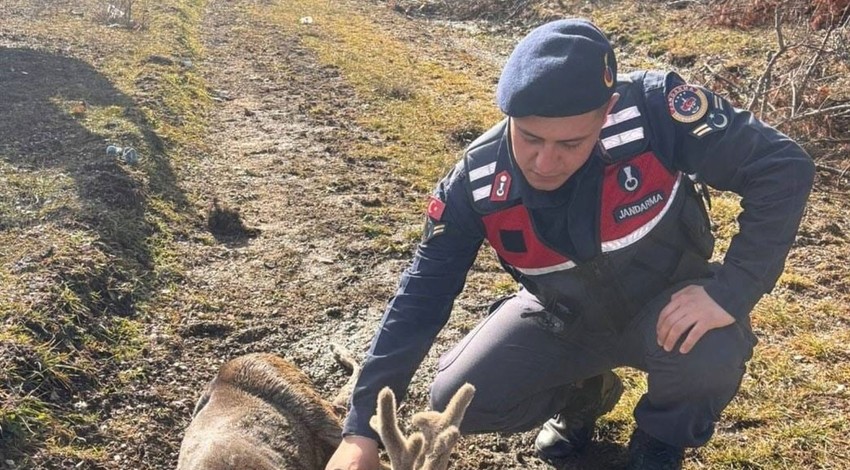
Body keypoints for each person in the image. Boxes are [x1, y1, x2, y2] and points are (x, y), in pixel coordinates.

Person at [325, 18, 814, 470]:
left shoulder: (657, 112)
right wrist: (360, 428)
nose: (544, 162)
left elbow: (782, 168)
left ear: (607, 111)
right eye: (530, 137)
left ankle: (659, 440)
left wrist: (730, 290)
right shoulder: (474, 183)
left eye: (570, 144)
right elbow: (420, 298)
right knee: (460, 397)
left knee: (711, 351)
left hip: (668, 306)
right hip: (565, 318)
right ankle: (586, 394)